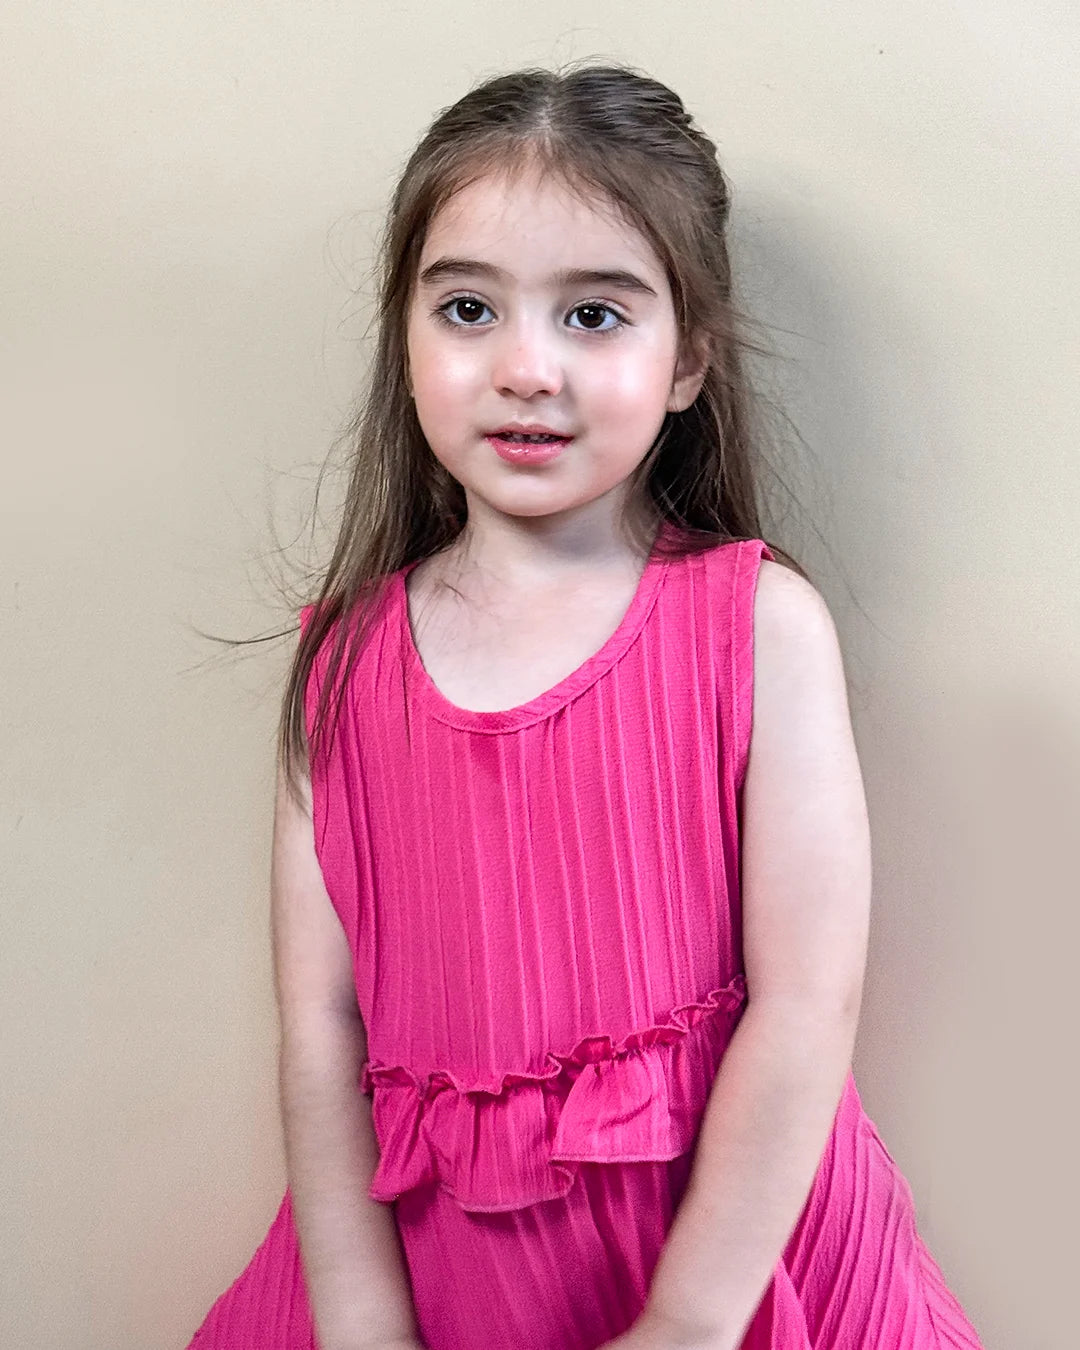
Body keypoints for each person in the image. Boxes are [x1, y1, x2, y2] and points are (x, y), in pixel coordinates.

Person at [186, 60, 985, 1350]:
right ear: (405, 336)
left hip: (717, 1265)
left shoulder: (757, 626)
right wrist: (359, 1320)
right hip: (435, 1281)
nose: (525, 368)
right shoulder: (342, 668)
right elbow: (321, 1033)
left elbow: (806, 1004)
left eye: (596, 317)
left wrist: (684, 1323)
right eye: (466, 308)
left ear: (687, 362)